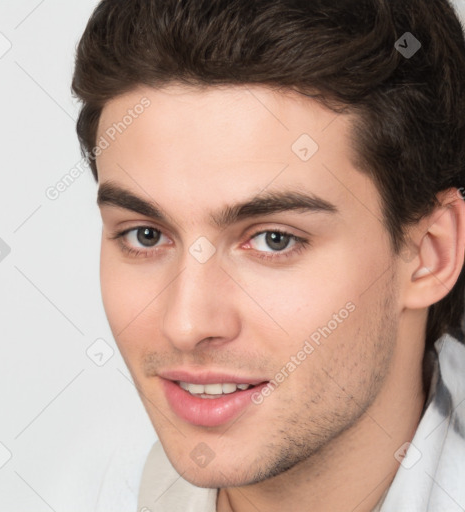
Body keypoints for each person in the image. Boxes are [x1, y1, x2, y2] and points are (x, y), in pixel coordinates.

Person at [71, 0, 465, 510]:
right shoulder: (105, 489)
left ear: (431, 254)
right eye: (146, 235)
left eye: (273, 240)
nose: (186, 324)